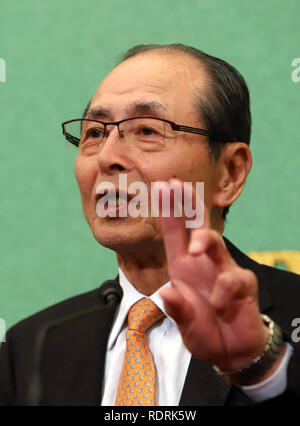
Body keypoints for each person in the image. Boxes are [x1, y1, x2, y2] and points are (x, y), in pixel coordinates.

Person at [0, 43, 299, 406]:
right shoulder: (34, 346)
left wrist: (263, 370)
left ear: (229, 172)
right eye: (95, 133)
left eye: (146, 130)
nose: (108, 157)